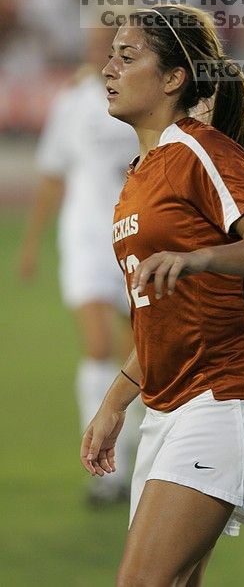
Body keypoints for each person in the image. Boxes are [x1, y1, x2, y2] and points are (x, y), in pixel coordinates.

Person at [79, 3, 244, 587]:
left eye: (128, 57)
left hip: (226, 393)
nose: (110, 67)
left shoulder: (201, 151)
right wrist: (113, 403)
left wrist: (198, 257)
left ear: (175, 78)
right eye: (110, 55)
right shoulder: (139, 174)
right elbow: (162, 315)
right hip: (169, 404)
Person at [18, 27, 141, 506]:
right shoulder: (71, 104)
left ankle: (132, 457)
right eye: (97, 47)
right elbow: (52, 174)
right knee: (97, 345)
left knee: (144, 356)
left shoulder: (144, 101)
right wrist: (30, 244)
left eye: (114, 49)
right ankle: (104, 472)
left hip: (137, 238)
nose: (104, 56)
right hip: (87, 240)